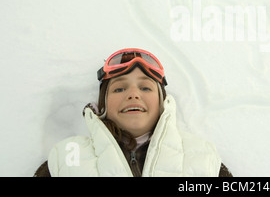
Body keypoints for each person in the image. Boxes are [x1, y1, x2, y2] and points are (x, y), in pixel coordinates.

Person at [34, 48, 232, 177]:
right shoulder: (67, 157)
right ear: (102, 106)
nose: (133, 94)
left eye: (145, 88)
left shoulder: (202, 157)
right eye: (119, 89)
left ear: (162, 103)